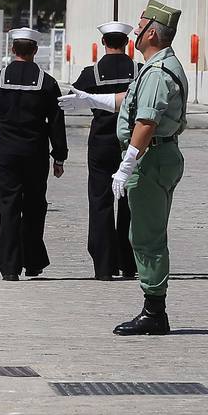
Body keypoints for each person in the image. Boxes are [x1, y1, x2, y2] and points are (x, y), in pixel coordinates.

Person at [63, 1, 188, 334]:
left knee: (147, 237)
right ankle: (153, 307)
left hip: (152, 158)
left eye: (141, 25)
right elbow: (128, 100)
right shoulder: (152, 67)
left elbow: (146, 121)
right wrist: (90, 100)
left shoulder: (159, 72)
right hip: (155, 157)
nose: (135, 31)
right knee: (142, 233)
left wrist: (127, 164)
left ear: (153, 34)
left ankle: (154, 312)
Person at [0, 28, 67, 282]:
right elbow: (56, 123)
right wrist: (59, 157)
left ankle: (9, 266)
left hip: (7, 154)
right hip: (36, 154)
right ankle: (33, 262)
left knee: (9, 208)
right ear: (35, 51)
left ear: (12, 49)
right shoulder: (48, 83)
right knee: (35, 207)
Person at [70, 22, 137, 283]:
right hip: (131, 143)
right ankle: (129, 263)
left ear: (103, 45)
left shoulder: (92, 73)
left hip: (101, 143)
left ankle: (104, 266)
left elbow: (71, 99)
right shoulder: (139, 71)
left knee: (101, 202)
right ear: (127, 44)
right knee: (131, 203)